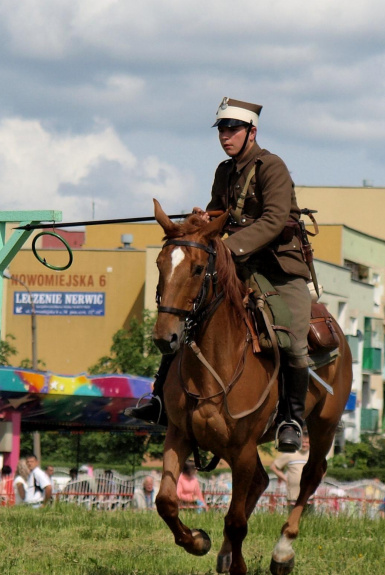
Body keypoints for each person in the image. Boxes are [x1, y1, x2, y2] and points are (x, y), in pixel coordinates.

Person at [126, 97, 312, 452]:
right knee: (186, 314)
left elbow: (273, 221)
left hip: (280, 269)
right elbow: (218, 213)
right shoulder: (224, 171)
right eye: (222, 130)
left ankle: (292, 417)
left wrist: (228, 248)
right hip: (238, 266)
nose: (225, 136)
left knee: (292, 338)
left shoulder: (272, 167)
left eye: (233, 129)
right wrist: (203, 219)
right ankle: (160, 399)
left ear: (251, 132)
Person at [270, 430, 310, 506]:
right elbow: (273, 467)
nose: (304, 445)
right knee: (292, 516)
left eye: (307, 443)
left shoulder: (313, 455)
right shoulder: (290, 454)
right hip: (293, 495)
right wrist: (285, 478)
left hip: (309, 495)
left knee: (308, 517)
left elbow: (322, 469)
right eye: (303, 442)